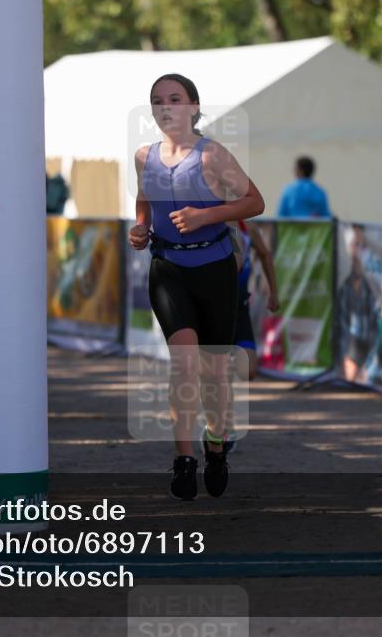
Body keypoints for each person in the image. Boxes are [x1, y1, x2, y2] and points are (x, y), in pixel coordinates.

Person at [128, 73, 265, 500]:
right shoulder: (143, 156)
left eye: (174, 98)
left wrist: (206, 215)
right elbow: (144, 199)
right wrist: (140, 228)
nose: (166, 107)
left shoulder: (212, 156)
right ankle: (183, 457)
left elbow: (254, 202)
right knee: (184, 363)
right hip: (168, 268)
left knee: (213, 372)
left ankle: (216, 443)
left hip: (215, 267)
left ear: (193, 106)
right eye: (157, 101)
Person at [223, 218, 279, 453]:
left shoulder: (249, 227)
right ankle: (224, 426)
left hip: (241, 307)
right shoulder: (209, 222)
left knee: (249, 370)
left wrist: (274, 293)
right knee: (222, 368)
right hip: (217, 307)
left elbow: (265, 255)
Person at [337, 224, 380, 381]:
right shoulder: (345, 288)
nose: (356, 250)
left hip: (372, 352)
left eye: (360, 244)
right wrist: (344, 360)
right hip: (353, 350)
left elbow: (379, 331)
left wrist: (370, 366)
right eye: (353, 244)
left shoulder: (374, 286)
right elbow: (342, 329)